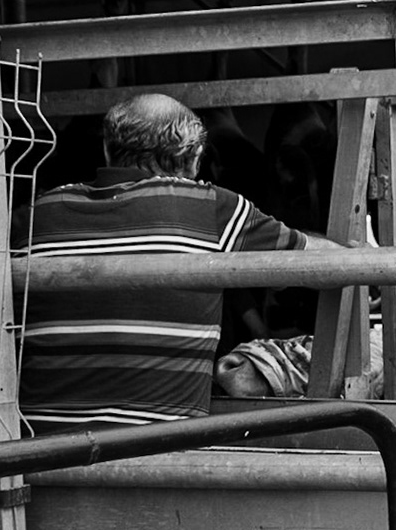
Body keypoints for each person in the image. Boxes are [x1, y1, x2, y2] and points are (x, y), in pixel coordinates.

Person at [18, 93, 339, 432]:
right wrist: (359, 252)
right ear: (195, 157)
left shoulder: (39, 213)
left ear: (107, 150)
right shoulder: (212, 207)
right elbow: (323, 262)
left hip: (44, 441)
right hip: (155, 440)